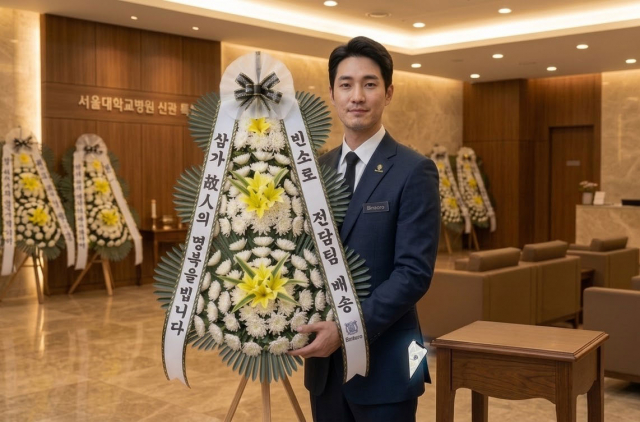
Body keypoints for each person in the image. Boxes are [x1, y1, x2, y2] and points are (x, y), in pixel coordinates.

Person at [288, 36, 441, 421]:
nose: (357, 96)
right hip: (324, 370)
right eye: (346, 84)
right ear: (332, 93)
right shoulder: (316, 170)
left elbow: (413, 274)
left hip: (389, 366)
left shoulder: (414, 170)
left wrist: (346, 330)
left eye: (369, 84)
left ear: (388, 93)